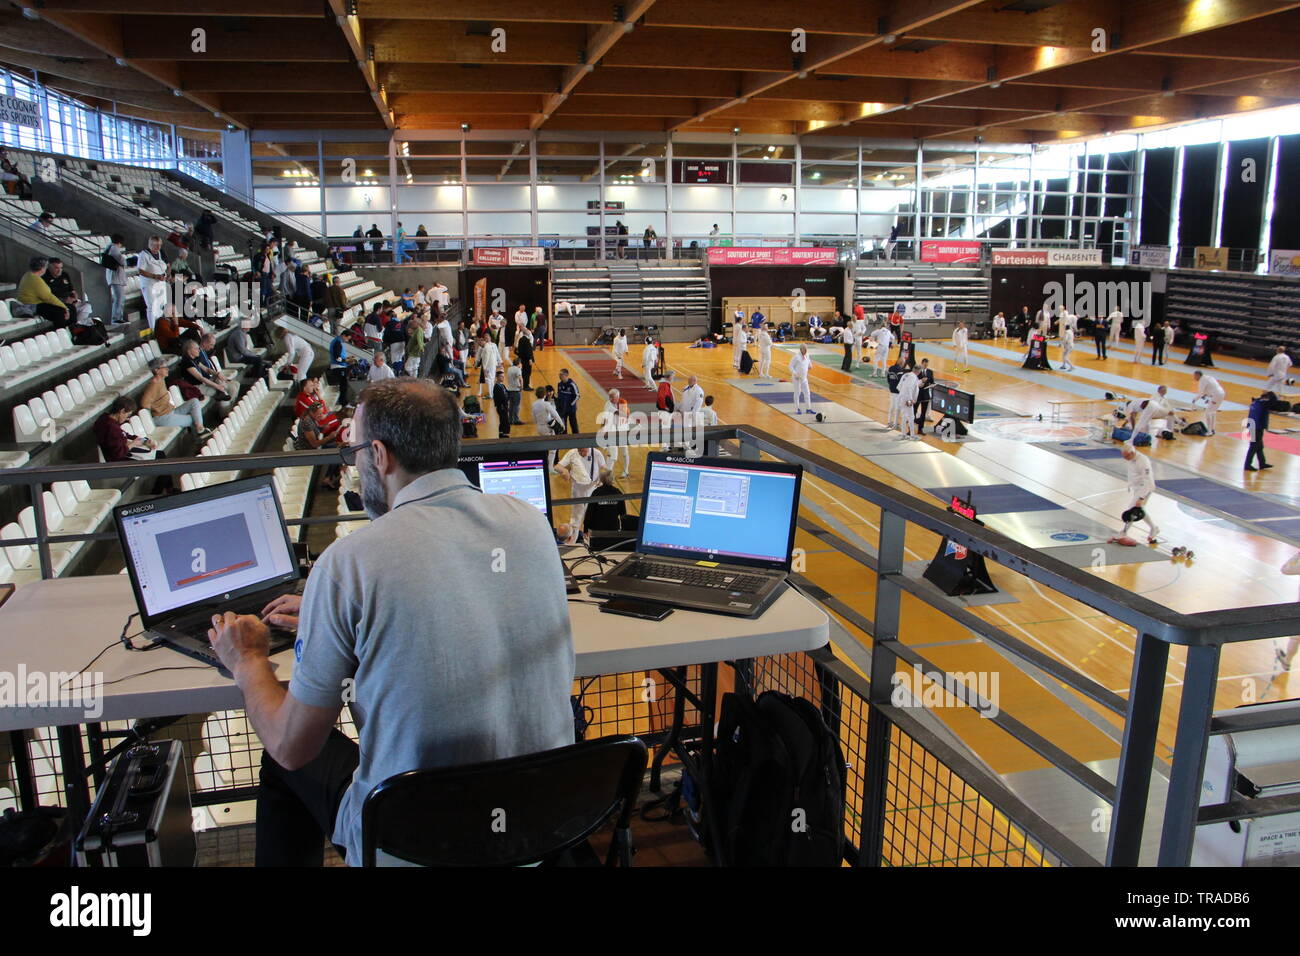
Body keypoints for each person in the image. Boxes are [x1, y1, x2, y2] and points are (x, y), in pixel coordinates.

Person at [208, 380, 574, 865]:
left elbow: (292, 746)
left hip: (412, 842)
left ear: (379, 455)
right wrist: (333, 620)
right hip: (534, 831)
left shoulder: (347, 564)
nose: (356, 463)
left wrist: (249, 660)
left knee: (278, 760)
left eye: (355, 450)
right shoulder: (529, 521)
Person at [140, 357, 209, 438]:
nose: (167, 369)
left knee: (194, 401)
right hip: (162, 417)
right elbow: (144, 403)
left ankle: (200, 430)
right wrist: (153, 414)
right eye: (165, 368)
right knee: (192, 419)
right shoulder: (153, 385)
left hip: (171, 411)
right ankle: (200, 434)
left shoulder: (161, 379)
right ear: (156, 370)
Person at [555, 443, 608, 544]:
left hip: (593, 489)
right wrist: (564, 470)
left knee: (592, 517)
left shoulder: (596, 453)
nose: (581, 453)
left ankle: (593, 544)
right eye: (579, 451)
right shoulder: (572, 453)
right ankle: (571, 544)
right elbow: (557, 466)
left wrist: (603, 478)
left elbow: (605, 469)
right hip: (578, 489)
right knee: (576, 519)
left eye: (583, 451)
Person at [1119, 444, 1160, 544]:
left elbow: (1148, 480)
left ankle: (1123, 533)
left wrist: (1141, 498)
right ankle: (1154, 528)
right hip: (1137, 488)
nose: (1125, 459)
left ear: (1132, 453)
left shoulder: (1143, 461)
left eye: (1126, 456)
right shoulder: (1131, 459)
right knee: (1139, 510)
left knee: (1131, 510)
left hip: (1145, 488)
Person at [17, 256, 71, 328]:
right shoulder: (35, 279)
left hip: (33, 304)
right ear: (43, 268)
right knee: (61, 311)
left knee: (70, 308)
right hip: (32, 306)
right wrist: (64, 307)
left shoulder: (29, 275)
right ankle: (62, 331)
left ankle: (70, 330)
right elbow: (48, 297)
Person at [597, 389, 631, 478]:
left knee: (624, 452)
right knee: (611, 453)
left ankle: (626, 470)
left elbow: (625, 416)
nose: (611, 399)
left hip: (623, 430)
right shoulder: (607, 404)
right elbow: (613, 414)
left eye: (613, 397)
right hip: (612, 432)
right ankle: (608, 473)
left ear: (618, 397)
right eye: (610, 397)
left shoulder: (623, 402)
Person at [102, 234, 128, 325]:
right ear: (120, 242)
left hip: (116, 278)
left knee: (120, 298)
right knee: (119, 298)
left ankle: (118, 317)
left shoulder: (110, 248)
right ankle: (116, 318)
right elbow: (122, 261)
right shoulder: (114, 248)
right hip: (116, 278)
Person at [1245, 392, 1273, 472]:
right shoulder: (1262, 404)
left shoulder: (1256, 402)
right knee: (1254, 446)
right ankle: (1247, 464)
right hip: (1257, 427)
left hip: (1252, 425)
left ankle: (1262, 463)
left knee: (1259, 446)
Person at [1191, 370, 1225, 435]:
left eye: (1194, 376)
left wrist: (1194, 400)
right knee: (1213, 411)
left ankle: (1209, 431)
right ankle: (1212, 429)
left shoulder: (1202, 380)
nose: (1194, 377)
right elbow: (1209, 389)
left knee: (1208, 412)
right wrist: (1208, 397)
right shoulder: (1208, 377)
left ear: (1198, 375)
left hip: (1216, 395)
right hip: (1221, 393)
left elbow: (1201, 393)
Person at [556, 367, 581, 435]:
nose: (559, 376)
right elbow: (559, 395)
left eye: (561, 375)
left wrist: (570, 404)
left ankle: (576, 437)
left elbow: (577, 396)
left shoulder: (572, 385)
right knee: (563, 424)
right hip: (562, 409)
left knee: (573, 424)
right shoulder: (559, 384)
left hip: (571, 409)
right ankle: (564, 438)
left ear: (566, 375)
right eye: (559, 374)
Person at [790, 344, 813, 415]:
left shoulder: (807, 355)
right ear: (801, 349)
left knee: (807, 393)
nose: (806, 350)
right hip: (797, 378)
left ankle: (808, 409)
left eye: (806, 349)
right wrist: (795, 373)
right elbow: (790, 366)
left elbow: (808, 363)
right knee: (797, 393)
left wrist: (810, 365)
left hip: (804, 378)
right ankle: (797, 409)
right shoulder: (796, 357)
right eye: (804, 349)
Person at [914, 358, 934, 434]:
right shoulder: (917, 371)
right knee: (914, 410)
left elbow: (932, 382)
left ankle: (920, 429)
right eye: (924, 364)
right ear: (922, 363)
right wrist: (920, 383)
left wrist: (932, 385)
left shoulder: (930, 372)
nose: (926, 366)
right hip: (918, 394)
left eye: (927, 365)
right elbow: (914, 381)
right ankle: (911, 427)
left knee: (923, 413)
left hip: (925, 396)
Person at [476, 334, 500, 398]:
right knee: (490, 379)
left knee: (490, 379)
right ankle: (490, 393)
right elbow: (479, 356)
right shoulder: (485, 346)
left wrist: (484, 368)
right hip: (490, 365)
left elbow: (486, 358)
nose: (480, 345)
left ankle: (490, 394)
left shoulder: (487, 347)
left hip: (489, 365)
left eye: (480, 343)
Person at [886, 359, 905, 430]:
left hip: (892, 389)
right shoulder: (900, 370)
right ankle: (895, 423)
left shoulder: (891, 368)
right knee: (897, 408)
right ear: (901, 363)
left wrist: (891, 385)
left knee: (892, 406)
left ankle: (889, 422)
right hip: (897, 391)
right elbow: (901, 381)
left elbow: (888, 378)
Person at [505, 359, 524, 425]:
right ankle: (516, 420)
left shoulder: (509, 368)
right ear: (519, 363)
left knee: (511, 405)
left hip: (509, 390)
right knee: (516, 406)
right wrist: (521, 387)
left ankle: (510, 420)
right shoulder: (518, 369)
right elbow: (520, 379)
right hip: (516, 390)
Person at [515, 325, 534, 390]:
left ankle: (524, 384)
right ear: (527, 333)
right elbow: (529, 351)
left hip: (522, 359)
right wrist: (530, 359)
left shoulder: (521, 339)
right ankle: (526, 386)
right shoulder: (527, 341)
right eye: (529, 332)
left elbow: (518, 350)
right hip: (527, 359)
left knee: (524, 372)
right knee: (527, 372)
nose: (530, 333)